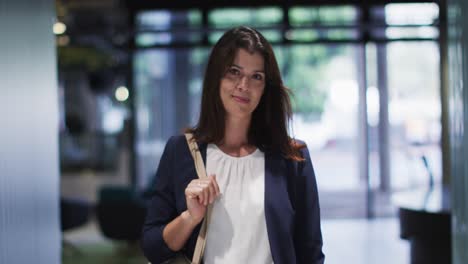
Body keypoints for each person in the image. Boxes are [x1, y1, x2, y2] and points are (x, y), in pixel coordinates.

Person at [141, 26, 325, 264]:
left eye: (256, 77)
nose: (244, 86)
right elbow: (153, 247)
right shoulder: (181, 151)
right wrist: (189, 218)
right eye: (234, 72)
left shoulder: (293, 157)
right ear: (216, 78)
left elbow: (310, 252)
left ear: (265, 88)